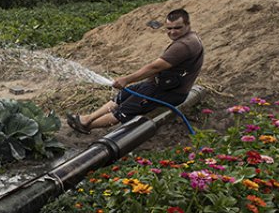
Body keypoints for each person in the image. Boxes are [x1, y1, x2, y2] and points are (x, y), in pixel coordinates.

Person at [68, 8, 203, 134]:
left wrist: (126, 79)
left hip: (169, 93)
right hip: (159, 84)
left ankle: (87, 127)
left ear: (188, 25)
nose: (173, 32)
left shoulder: (184, 45)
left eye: (178, 28)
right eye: (169, 28)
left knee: (124, 110)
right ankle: (87, 118)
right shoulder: (189, 37)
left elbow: (155, 67)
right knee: (122, 95)